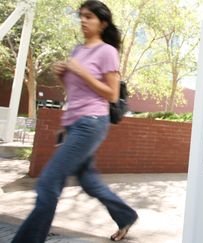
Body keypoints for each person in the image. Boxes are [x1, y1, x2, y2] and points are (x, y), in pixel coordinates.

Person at [12, 1, 138, 242]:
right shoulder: (77, 51)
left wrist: (82, 72)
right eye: (81, 16)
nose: (83, 20)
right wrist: (64, 77)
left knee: (48, 182)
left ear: (102, 22)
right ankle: (126, 215)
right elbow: (78, 91)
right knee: (89, 181)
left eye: (89, 16)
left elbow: (111, 94)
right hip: (74, 123)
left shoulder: (107, 52)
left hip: (91, 122)